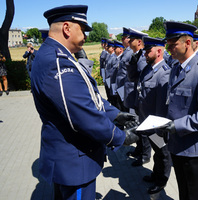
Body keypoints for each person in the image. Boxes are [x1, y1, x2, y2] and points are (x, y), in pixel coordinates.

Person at [30, 5, 138, 200]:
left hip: (67, 159)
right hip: (74, 163)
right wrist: (120, 137)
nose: (86, 36)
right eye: (82, 30)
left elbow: (87, 94)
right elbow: (82, 114)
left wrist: (115, 114)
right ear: (67, 28)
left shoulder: (55, 56)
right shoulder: (57, 62)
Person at [157, 21, 198, 200]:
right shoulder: (176, 68)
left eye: (173, 44)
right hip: (177, 143)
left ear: (188, 43)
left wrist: (177, 125)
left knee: (193, 194)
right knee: (183, 191)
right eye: (167, 44)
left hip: (194, 147)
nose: (169, 49)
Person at [134, 36, 172, 194]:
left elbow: (163, 106)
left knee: (163, 153)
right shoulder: (147, 69)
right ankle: (156, 174)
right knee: (157, 152)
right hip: (147, 121)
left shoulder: (164, 73)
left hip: (156, 124)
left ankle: (161, 180)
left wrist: (160, 128)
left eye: (148, 51)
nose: (145, 54)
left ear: (159, 51)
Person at [125, 28, 153, 167]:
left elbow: (143, 81)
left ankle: (145, 155)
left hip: (144, 99)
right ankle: (140, 150)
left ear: (139, 42)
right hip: (138, 98)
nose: (129, 42)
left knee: (145, 129)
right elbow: (132, 77)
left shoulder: (143, 58)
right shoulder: (137, 57)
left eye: (131, 40)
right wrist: (132, 63)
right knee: (140, 127)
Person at [115, 27, 133, 112]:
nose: (122, 40)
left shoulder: (131, 52)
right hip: (122, 86)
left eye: (124, 38)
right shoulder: (127, 51)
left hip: (126, 86)